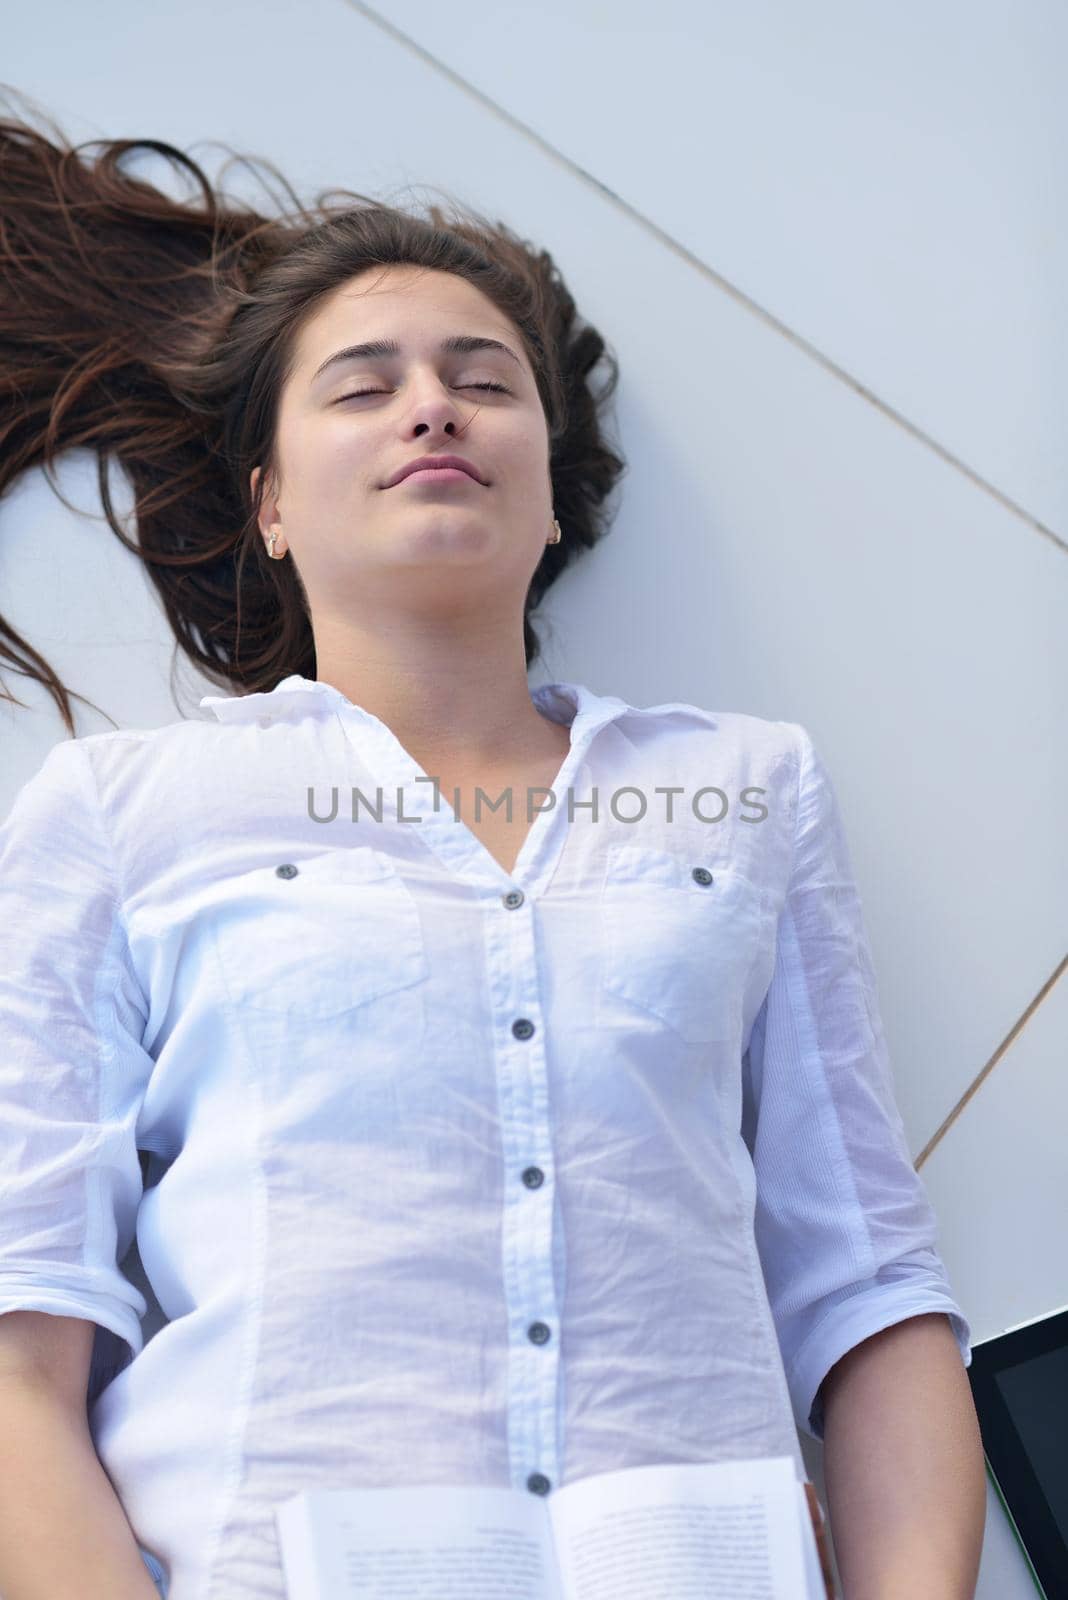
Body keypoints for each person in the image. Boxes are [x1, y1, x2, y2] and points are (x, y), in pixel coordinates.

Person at [0, 96, 985, 1599]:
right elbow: (24, 1328)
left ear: (547, 486)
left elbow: (869, 1293)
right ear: (266, 503)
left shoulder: (746, 787)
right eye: (361, 387)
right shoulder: (120, 811)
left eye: (485, 380)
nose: (433, 408)